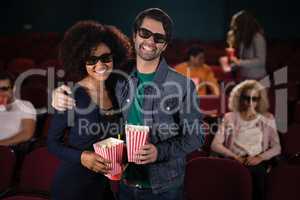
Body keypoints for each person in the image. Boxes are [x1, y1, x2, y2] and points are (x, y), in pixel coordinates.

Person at [51, 8, 203, 200]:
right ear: (134, 35)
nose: (150, 41)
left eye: (158, 38)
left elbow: (197, 136)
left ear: (164, 45)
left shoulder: (182, 85)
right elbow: (89, 79)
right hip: (124, 185)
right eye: (145, 33)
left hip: (163, 187)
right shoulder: (118, 76)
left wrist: (159, 152)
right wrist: (58, 93)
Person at [47, 20, 132, 200]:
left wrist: (123, 159)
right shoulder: (70, 95)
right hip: (73, 186)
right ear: (80, 61)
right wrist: (82, 157)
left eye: (106, 57)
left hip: (103, 184)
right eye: (91, 60)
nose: (100, 65)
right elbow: (52, 143)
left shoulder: (118, 88)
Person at [211, 80, 281, 200]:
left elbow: (277, 147)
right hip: (234, 160)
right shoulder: (230, 117)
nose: (250, 102)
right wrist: (235, 157)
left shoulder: (268, 117)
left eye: (254, 99)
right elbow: (215, 145)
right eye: (246, 98)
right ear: (240, 98)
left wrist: (259, 158)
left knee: (257, 176)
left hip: (257, 160)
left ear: (259, 100)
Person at [220, 10, 267, 80]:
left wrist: (238, 62)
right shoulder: (243, 38)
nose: (235, 28)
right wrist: (229, 66)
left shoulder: (257, 37)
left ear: (243, 25)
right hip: (243, 77)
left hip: (257, 78)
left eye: (237, 25)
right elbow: (243, 61)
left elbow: (260, 61)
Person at [0, 72, 36, 146]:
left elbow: (27, 134)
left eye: (4, 89)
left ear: (14, 88)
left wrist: (1, 144)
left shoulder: (25, 106)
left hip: (8, 151)